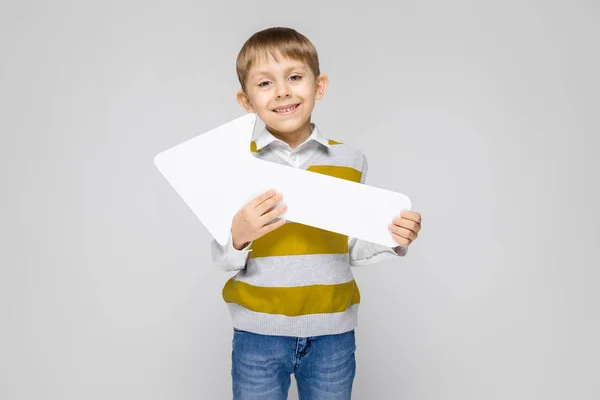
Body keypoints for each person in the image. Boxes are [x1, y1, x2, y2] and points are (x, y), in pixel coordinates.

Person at [211, 26, 422, 400]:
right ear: (246, 101)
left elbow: (351, 247)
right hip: (258, 335)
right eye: (265, 84)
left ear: (318, 86)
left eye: (294, 77)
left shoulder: (350, 160)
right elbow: (223, 256)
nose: (282, 91)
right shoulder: (236, 164)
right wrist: (240, 232)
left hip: (332, 335)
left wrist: (392, 238)